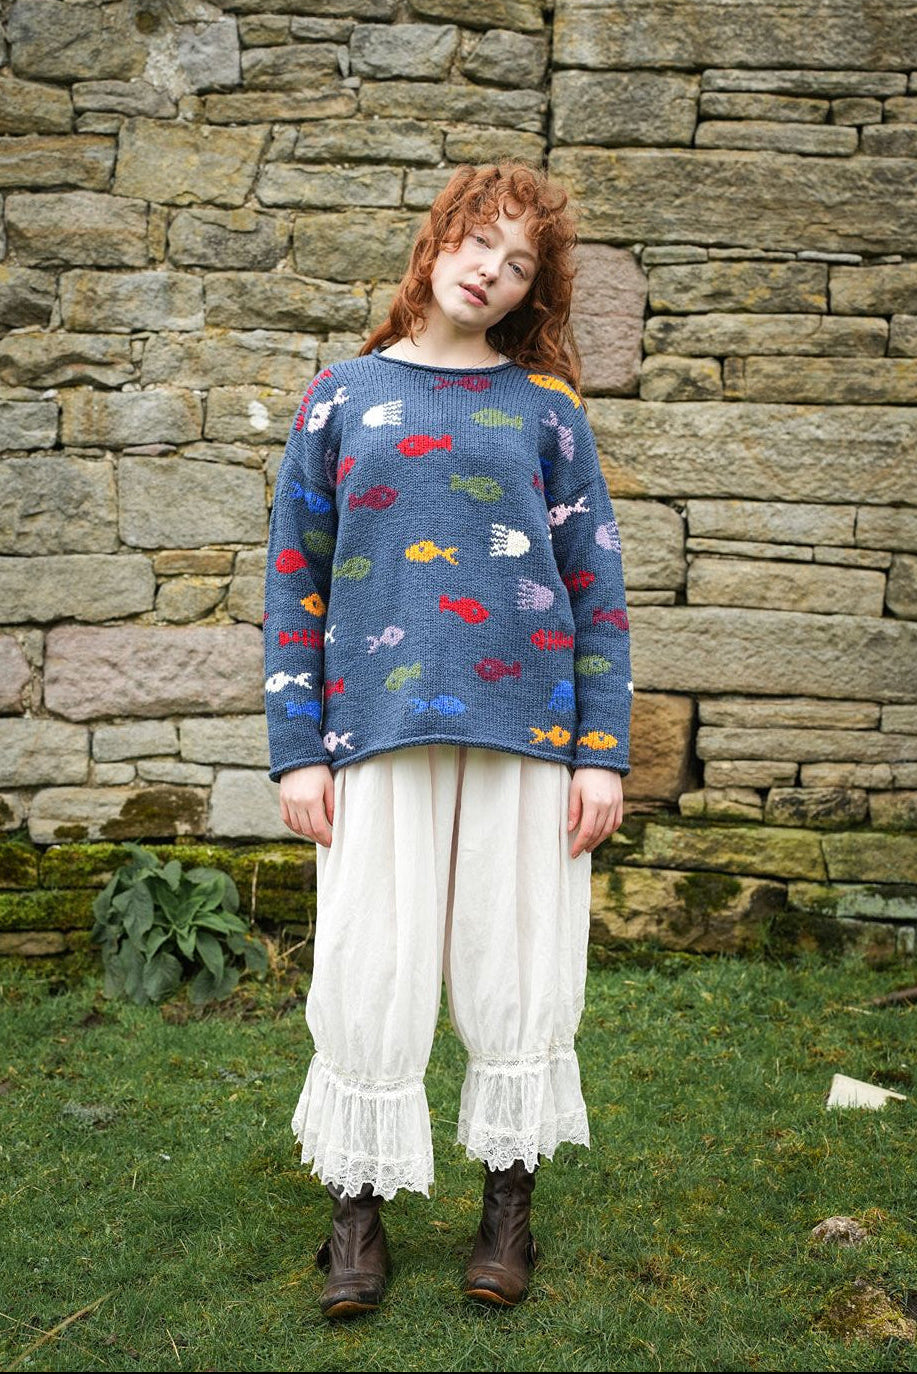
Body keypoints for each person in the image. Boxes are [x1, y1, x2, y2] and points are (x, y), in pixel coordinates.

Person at [262, 161, 634, 1319]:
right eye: (480, 242)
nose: (491, 271)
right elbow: (294, 580)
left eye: (519, 263)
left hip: (527, 730)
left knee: (512, 958)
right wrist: (296, 748)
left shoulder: (545, 412)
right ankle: (356, 1213)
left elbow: (595, 585)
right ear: (436, 245)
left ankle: (505, 1212)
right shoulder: (340, 397)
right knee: (369, 959)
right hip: (373, 729)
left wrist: (600, 753)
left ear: (531, 290)